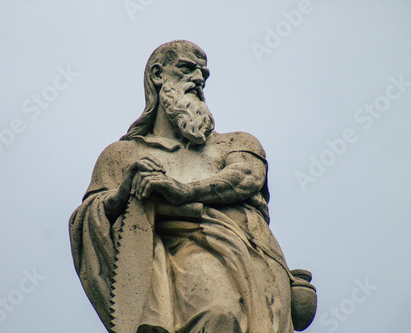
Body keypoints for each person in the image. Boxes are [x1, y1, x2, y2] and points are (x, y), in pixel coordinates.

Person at [70, 40, 297, 332]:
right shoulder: (122, 155)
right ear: (157, 75)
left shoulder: (235, 142)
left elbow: (247, 177)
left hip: (240, 258)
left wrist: (184, 191)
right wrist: (123, 193)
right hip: (163, 264)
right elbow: (87, 218)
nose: (199, 79)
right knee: (219, 313)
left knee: (224, 315)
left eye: (204, 74)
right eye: (187, 69)